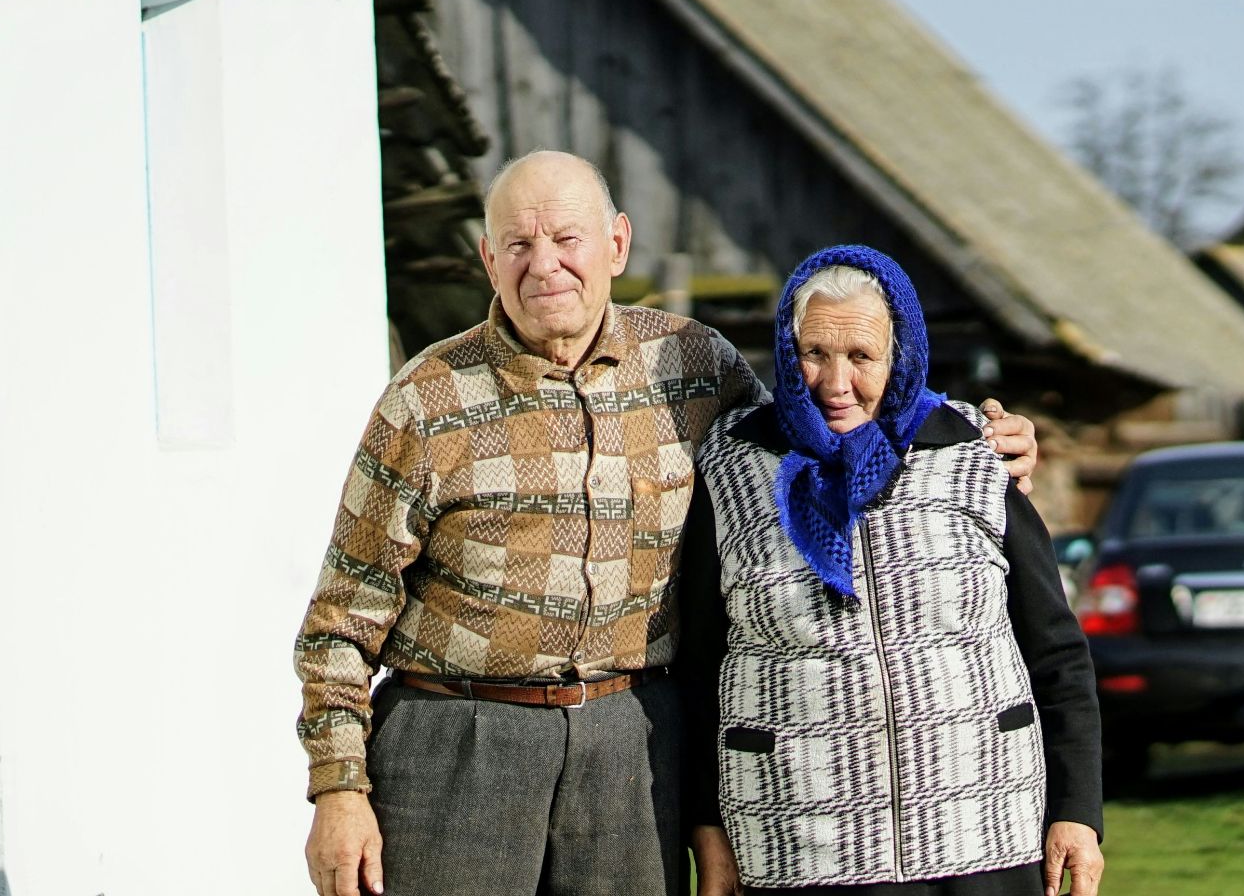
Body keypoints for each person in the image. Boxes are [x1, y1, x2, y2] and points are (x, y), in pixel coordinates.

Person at [295, 152, 1042, 896]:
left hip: (632, 745)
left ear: (617, 244)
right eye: (518, 245)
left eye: (567, 238)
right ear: (489, 259)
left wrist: (976, 435)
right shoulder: (425, 399)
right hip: (456, 743)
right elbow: (341, 619)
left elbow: (826, 427)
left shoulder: (693, 365)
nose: (544, 265)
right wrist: (338, 791)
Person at [680, 245, 1104, 896]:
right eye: (814, 353)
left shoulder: (974, 452)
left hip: (984, 834)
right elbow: (700, 668)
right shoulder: (732, 466)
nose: (835, 381)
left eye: (861, 357)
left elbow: (1056, 650)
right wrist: (707, 827)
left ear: (898, 355)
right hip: (801, 846)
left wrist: (1077, 811)